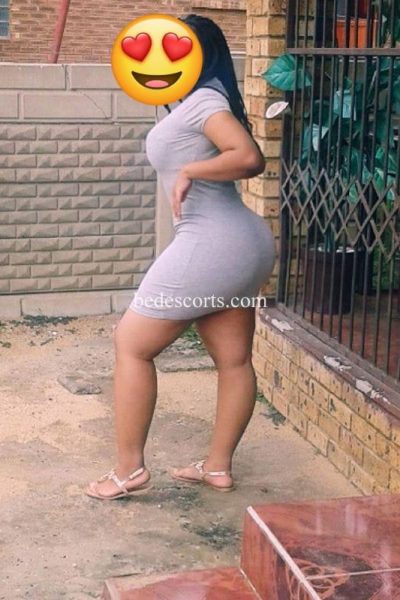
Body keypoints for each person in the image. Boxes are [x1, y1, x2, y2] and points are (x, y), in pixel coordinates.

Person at [85, 14, 276, 500]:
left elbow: (249, 157)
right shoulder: (200, 100)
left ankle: (128, 471)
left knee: (132, 343)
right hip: (243, 246)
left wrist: (191, 170)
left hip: (212, 243)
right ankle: (217, 467)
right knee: (233, 360)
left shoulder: (206, 102)